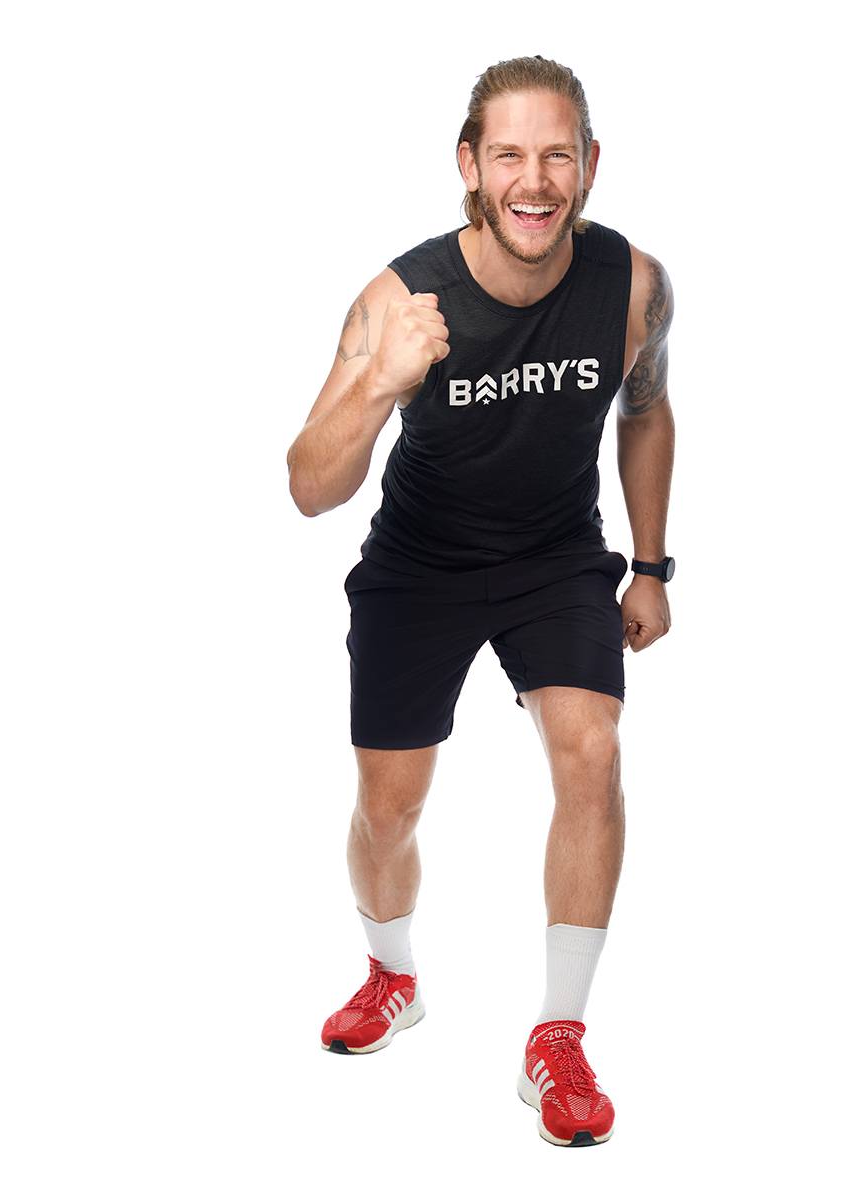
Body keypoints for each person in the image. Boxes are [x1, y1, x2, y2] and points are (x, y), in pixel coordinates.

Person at [284, 55, 676, 1148]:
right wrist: (381, 382)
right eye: (508, 154)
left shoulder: (633, 285)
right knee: (389, 808)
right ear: (469, 165)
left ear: (589, 164)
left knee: (591, 750)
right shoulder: (398, 300)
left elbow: (646, 409)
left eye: (556, 155)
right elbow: (308, 485)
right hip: (421, 562)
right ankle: (391, 975)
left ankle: (558, 1037)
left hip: (557, 556)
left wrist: (650, 566)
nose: (533, 180)